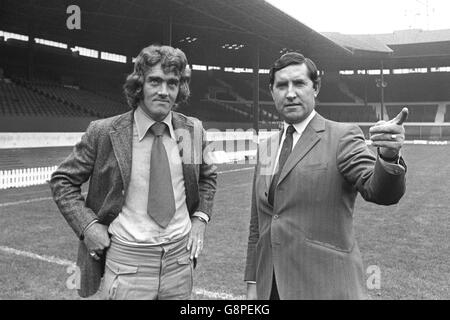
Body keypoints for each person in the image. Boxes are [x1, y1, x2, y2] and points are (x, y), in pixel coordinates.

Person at [50, 44, 217, 299]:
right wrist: (89, 226)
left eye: (172, 83)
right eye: (155, 81)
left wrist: (200, 219)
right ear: (139, 85)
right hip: (127, 262)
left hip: (179, 262)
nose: (164, 91)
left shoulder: (192, 130)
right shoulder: (104, 132)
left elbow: (207, 178)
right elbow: (63, 181)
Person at [244, 52, 407, 300]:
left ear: (315, 87)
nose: (290, 93)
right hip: (272, 289)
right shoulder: (266, 148)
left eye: (299, 83)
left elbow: (379, 191)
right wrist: (253, 284)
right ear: (272, 90)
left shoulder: (342, 136)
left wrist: (387, 157)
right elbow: (258, 225)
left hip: (327, 288)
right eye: (281, 85)